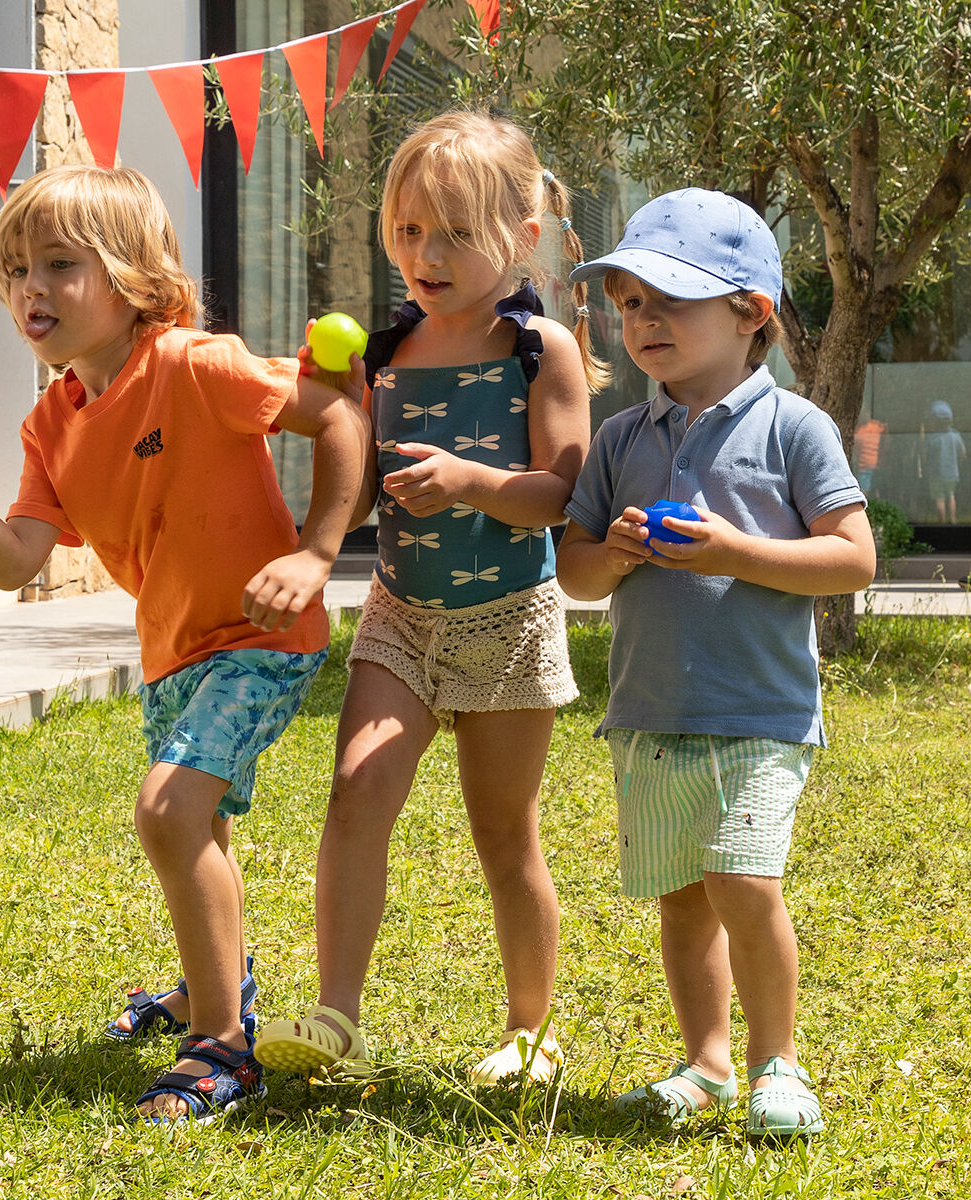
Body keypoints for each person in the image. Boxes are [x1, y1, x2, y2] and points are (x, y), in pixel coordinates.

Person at [0, 165, 369, 1126]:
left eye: (60, 263)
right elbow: (13, 560)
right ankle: (210, 981)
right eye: (15, 269)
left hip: (261, 637)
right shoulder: (50, 423)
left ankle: (221, 1045)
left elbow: (336, 411)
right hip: (172, 649)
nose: (30, 288)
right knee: (201, 826)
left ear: (134, 277)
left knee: (168, 813)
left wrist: (315, 554)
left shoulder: (195, 363)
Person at [253, 109, 608, 1086]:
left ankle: (530, 1034)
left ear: (522, 239)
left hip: (508, 621)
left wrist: (470, 482)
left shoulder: (544, 350)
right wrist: (307, 418)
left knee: (504, 831)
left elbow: (557, 494)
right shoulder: (384, 353)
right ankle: (336, 1019)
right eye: (409, 231)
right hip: (401, 614)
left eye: (455, 233)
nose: (427, 254)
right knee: (355, 795)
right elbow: (356, 480)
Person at [556, 187, 876, 1139]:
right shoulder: (621, 438)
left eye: (670, 301)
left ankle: (779, 1060)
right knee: (684, 899)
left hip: (759, 711)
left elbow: (853, 556)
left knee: (744, 882)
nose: (642, 321)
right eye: (628, 304)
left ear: (752, 315)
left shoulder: (794, 428)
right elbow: (574, 575)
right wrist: (612, 551)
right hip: (651, 712)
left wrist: (736, 552)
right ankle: (705, 1064)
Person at [923, 400, 965, 523]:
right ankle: (953, 519)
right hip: (952, 473)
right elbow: (963, 453)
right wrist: (958, 464)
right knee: (951, 495)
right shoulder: (955, 435)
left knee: (939, 498)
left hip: (936, 474)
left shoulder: (932, 438)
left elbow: (925, 456)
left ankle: (941, 522)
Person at [852, 416, 886, 496]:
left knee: (864, 490)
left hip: (865, 465)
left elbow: (856, 448)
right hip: (876, 464)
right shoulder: (876, 426)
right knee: (874, 488)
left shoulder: (859, 431)